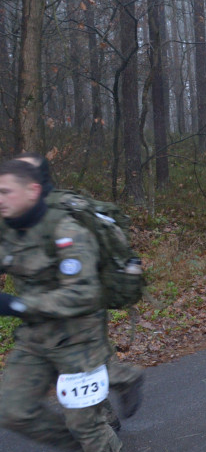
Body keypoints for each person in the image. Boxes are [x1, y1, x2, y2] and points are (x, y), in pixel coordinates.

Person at [0, 160, 130, 452]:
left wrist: (19, 305)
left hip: (78, 340)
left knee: (84, 422)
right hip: (36, 338)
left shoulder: (66, 230)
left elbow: (83, 294)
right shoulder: (8, 229)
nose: (0, 199)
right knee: (13, 411)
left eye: (6, 191)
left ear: (33, 192)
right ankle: (87, 446)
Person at [9, 153, 144, 428]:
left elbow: (85, 263)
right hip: (43, 305)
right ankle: (105, 414)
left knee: (78, 367)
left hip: (80, 303)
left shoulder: (62, 210)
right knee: (81, 366)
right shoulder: (19, 210)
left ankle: (111, 403)